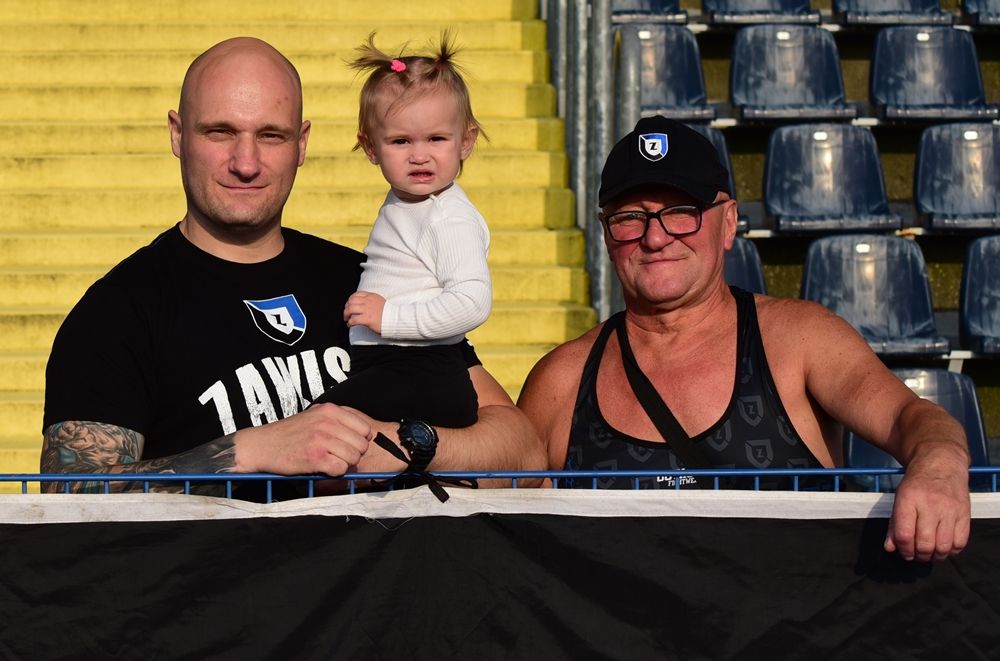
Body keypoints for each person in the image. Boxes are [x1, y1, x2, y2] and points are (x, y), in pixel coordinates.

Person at [40, 37, 543, 497]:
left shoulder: (368, 279)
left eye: (271, 136)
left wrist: (402, 444)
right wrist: (251, 452)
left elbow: (523, 453)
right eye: (220, 132)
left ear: (301, 144)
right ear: (177, 134)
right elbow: (72, 499)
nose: (245, 162)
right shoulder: (117, 312)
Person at [517, 115, 972, 562]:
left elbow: (911, 417)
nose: (655, 237)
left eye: (681, 213)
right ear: (605, 232)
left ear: (729, 222)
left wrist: (938, 465)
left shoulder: (799, 341)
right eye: (631, 217)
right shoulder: (562, 381)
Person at [313, 33, 490, 430]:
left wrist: (389, 317)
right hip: (392, 367)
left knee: (315, 428)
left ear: (466, 142)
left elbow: (472, 302)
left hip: (420, 371)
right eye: (400, 141)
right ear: (370, 148)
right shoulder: (411, 202)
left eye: (436, 138)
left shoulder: (447, 216)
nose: (419, 155)